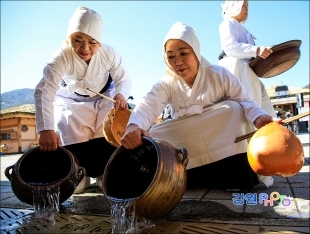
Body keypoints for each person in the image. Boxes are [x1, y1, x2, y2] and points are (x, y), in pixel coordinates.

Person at [120, 22, 279, 191]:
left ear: (196, 52)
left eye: (183, 53)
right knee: (156, 133)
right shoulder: (166, 83)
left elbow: (245, 100)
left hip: (217, 133)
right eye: (171, 56)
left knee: (233, 109)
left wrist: (259, 117)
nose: (178, 61)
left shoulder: (219, 74)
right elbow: (148, 104)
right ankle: (177, 176)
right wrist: (134, 126)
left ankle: (232, 175)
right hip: (186, 135)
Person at [34, 6, 132, 193]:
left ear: (100, 42)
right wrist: (45, 129)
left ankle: (106, 172)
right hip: (73, 99)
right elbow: (44, 91)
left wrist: (121, 95)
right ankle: (80, 174)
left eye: (92, 42)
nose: (84, 48)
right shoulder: (61, 56)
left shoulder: (109, 53)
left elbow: (124, 79)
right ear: (69, 37)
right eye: (77, 40)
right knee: (66, 123)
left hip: (105, 97)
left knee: (108, 130)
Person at [218, 0, 276, 187]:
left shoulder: (243, 29)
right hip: (236, 71)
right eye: (244, 6)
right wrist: (256, 50)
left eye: (247, 7)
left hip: (247, 71)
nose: (246, 10)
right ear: (233, 6)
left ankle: (267, 158)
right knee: (245, 116)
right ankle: (251, 165)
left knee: (262, 110)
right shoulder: (227, 24)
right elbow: (230, 47)